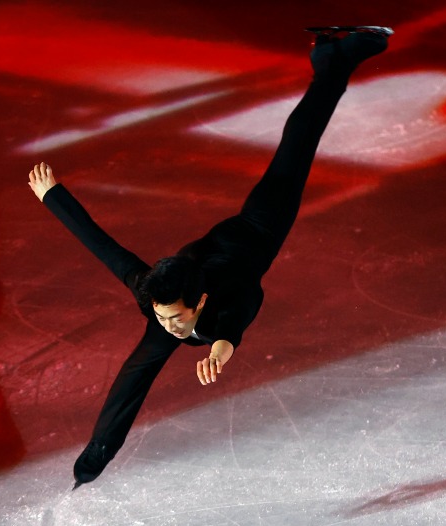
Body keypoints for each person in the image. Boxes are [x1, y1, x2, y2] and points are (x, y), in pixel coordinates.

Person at [28, 27, 392, 488]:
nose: (169, 328)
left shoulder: (228, 293)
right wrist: (52, 195)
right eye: (163, 319)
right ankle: (93, 462)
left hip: (258, 228)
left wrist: (222, 347)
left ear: (199, 303)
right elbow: (104, 246)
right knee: (134, 375)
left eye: (176, 320)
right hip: (206, 258)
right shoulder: (154, 299)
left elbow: (246, 306)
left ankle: (334, 60)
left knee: (298, 143)